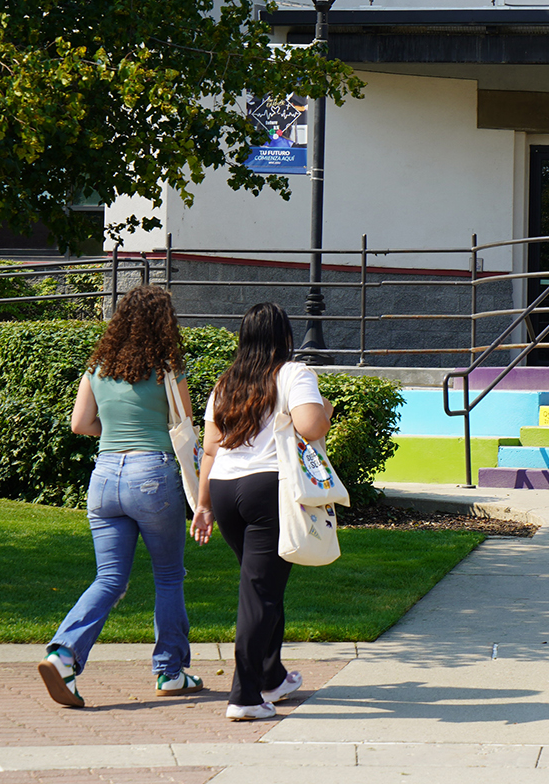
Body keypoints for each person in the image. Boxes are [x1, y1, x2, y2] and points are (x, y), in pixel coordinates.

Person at [39, 285, 201, 708]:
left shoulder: (98, 366)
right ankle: (170, 672)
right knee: (168, 576)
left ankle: (63, 655)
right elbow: (183, 424)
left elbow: (80, 424)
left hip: (105, 475)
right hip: (153, 475)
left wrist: (113, 437)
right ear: (163, 322)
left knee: (109, 578)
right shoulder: (168, 367)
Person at [190, 303, 334, 721]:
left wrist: (202, 505)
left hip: (225, 490)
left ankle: (271, 675)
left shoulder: (226, 382)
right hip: (268, 488)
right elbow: (311, 426)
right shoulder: (294, 373)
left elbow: (212, 448)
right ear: (285, 336)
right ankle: (246, 696)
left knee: (263, 586)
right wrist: (324, 409)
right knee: (260, 593)